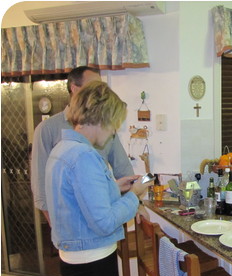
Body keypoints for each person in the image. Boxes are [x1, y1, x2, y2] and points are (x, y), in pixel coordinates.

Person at [45, 81, 150, 276]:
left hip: (72, 259)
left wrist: (115, 187)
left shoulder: (63, 149)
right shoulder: (85, 156)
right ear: (102, 118)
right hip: (92, 262)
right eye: (114, 124)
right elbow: (103, 222)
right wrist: (134, 196)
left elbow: (79, 201)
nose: (114, 132)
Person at [31, 66, 148, 224]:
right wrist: (56, 225)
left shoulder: (90, 136)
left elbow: (123, 169)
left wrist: (135, 202)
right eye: (94, 86)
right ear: (74, 89)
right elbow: (41, 185)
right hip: (84, 229)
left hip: (101, 223)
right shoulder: (50, 131)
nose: (100, 91)